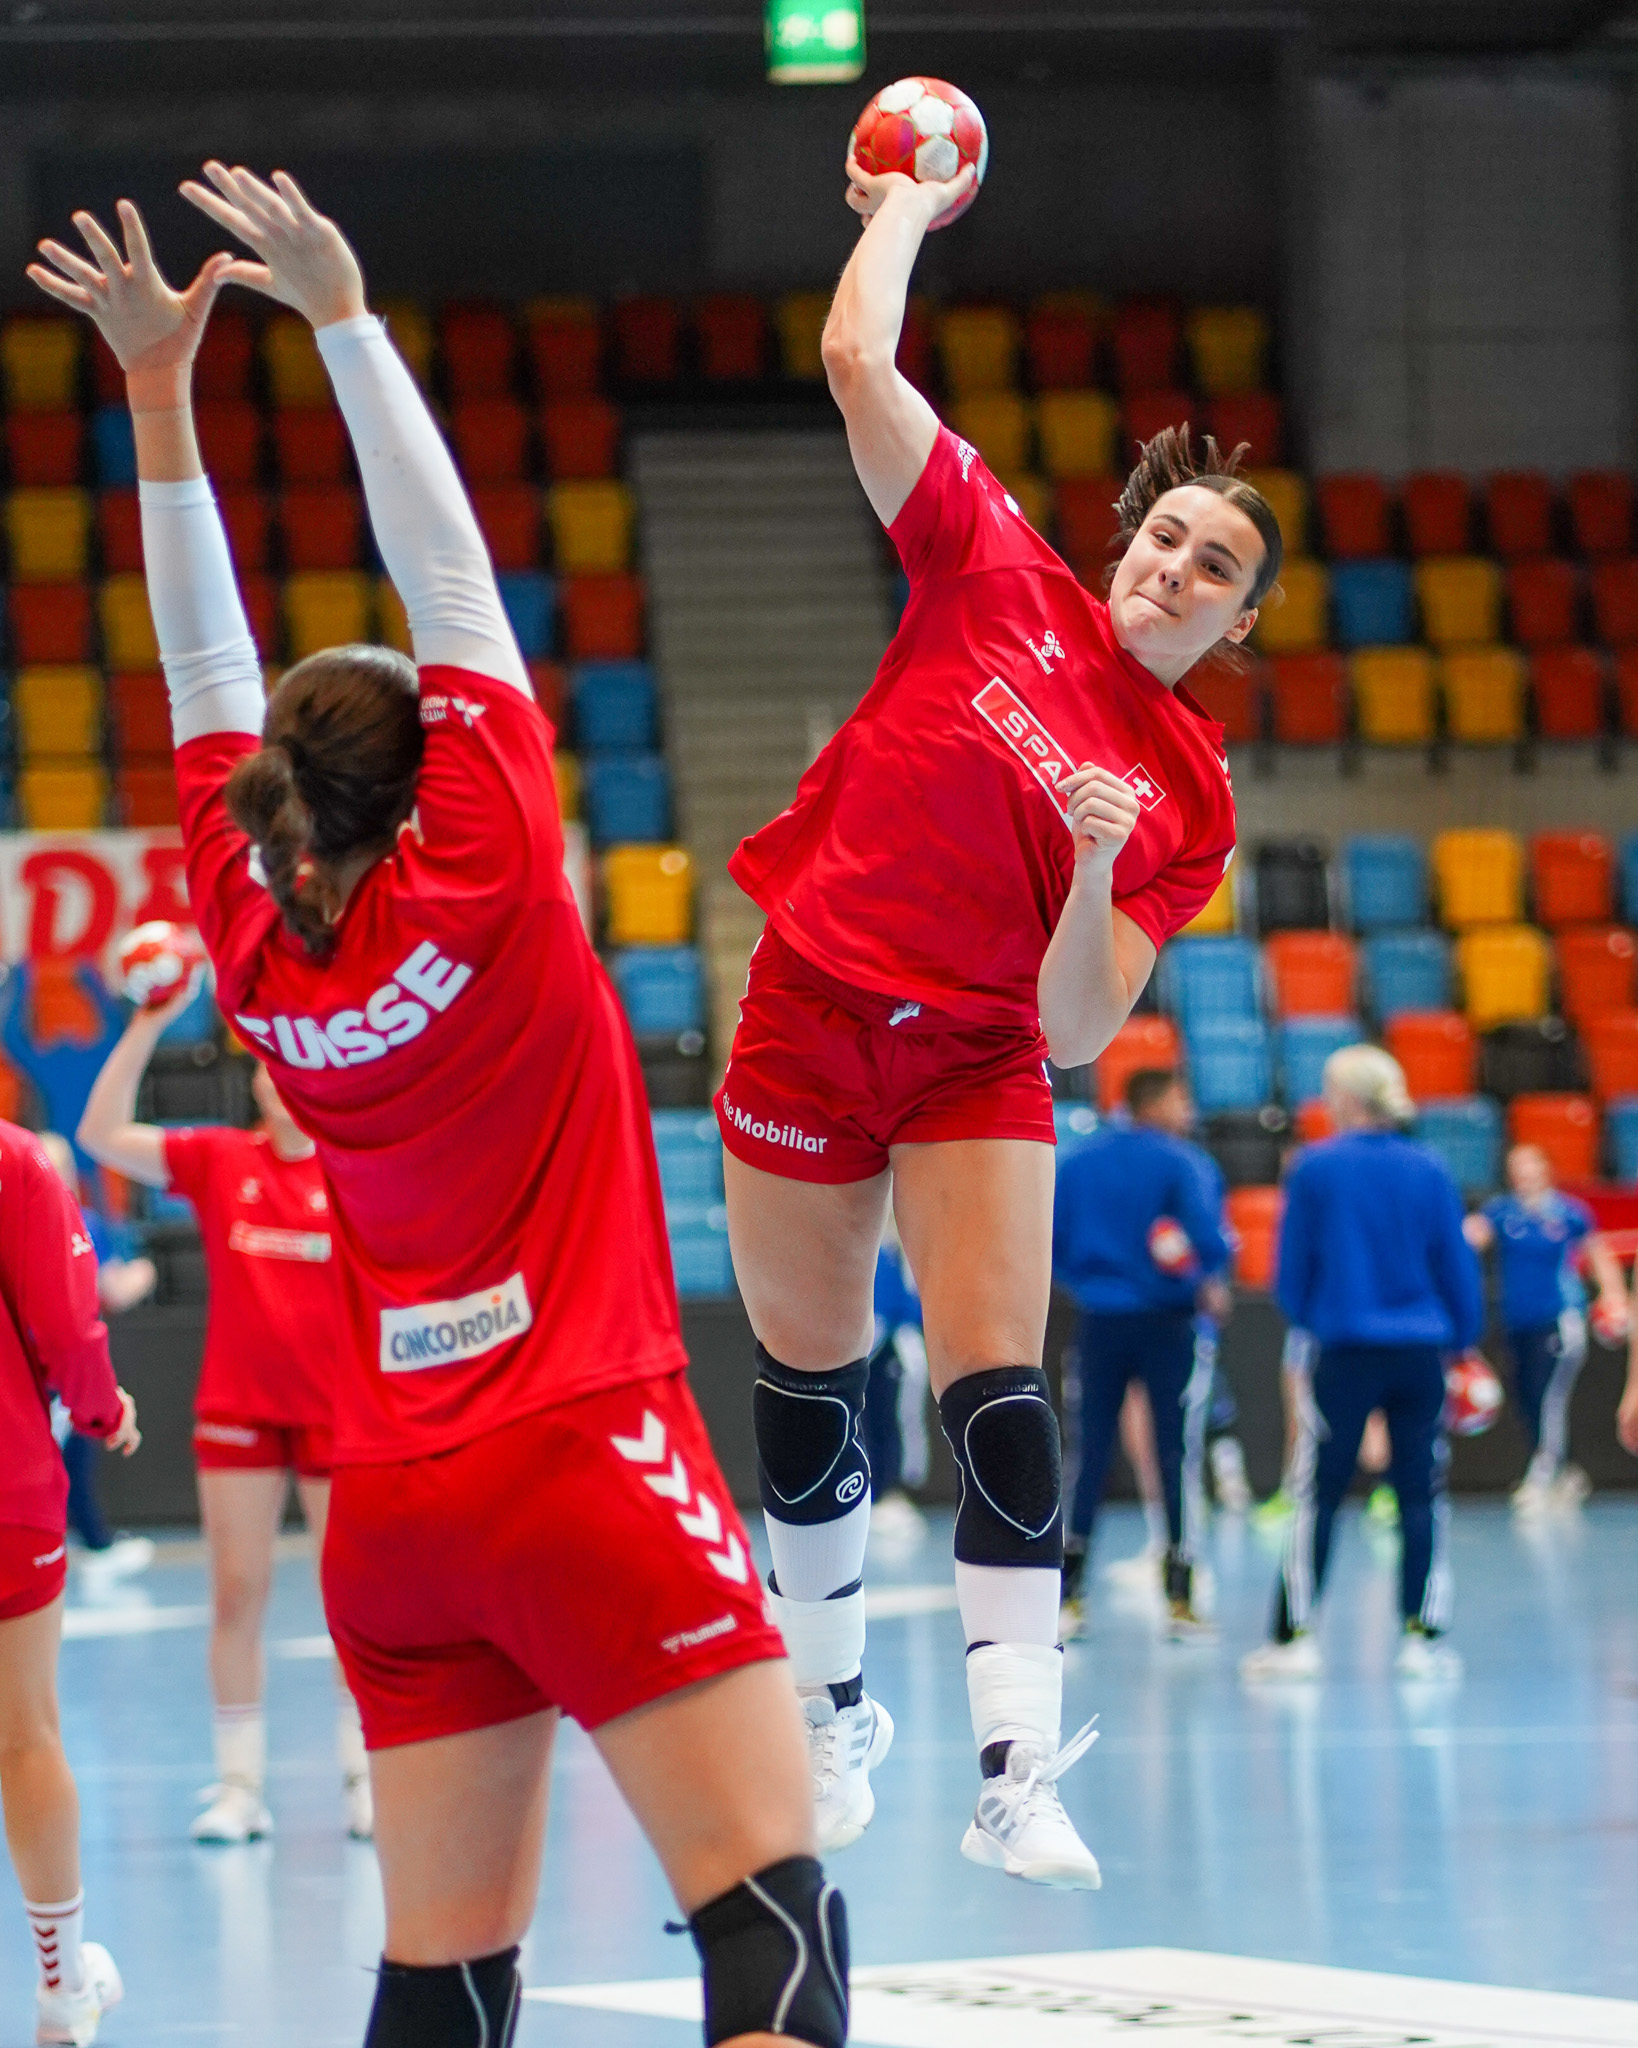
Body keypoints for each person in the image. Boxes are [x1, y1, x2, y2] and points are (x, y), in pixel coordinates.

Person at [31, 169, 840, 2048]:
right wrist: (340, 317)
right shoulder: (481, 871)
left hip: (393, 1505)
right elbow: (449, 578)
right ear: (428, 780)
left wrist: (162, 399)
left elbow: (201, 668)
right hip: (583, 1451)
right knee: (772, 1934)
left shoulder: (249, 934)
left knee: (447, 1973)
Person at [715, 138, 1277, 1887]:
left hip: (975, 1049)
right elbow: (851, 364)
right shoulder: (996, 567)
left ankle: (1015, 1766)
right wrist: (900, 207)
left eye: (1213, 569)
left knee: (994, 1392)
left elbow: (1085, 1026)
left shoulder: (1187, 793)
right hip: (812, 997)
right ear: (1127, 535)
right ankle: (831, 1713)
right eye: (1166, 533)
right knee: (808, 1392)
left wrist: (1101, 867)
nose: (1173, 567)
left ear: (1238, 620)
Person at [78, 985, 373, 1842]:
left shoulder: (354, 1162)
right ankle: (240, 1788)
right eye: (271, 1070)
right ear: (257, 1084)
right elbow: (100, 1136)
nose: (285, 1083)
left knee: (353, 1599)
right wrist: (144, 1022)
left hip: (337, 1411)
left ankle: (363, 1774)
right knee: (236, 1593)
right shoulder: (218, 1160)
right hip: (241, 1411)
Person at [1240, 1046, 1481, 1686]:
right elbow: (1455, 1268)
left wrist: (1314, 1319)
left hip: (1342, 1352)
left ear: (1346, 1099)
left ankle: (1295, 1638)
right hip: (1419, 1353)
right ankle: (1421, 1638)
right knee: (1419, 1493)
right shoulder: (1429, 1168)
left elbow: (1290, 1274)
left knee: (1316, 1493)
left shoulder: (1316, 1169)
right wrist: (1463, 1341)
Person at [0, 1117, 142, 2045]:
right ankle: (62, 1992)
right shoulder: (15, 1163)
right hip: (7, 1487)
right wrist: (103, 1412)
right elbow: (68, 1323)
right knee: (25, 1733)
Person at [1051, 1068, 1232, 1641]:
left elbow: (1052, 1240)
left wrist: (1090, 1283)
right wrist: (1203, 1276)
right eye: (1181, 1095)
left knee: (1089, 1453)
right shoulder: (1183, 1163)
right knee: (1176, 1452)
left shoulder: (1079, 1161)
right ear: (1155, 1100)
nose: (1187, 1108)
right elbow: (1207, 1238)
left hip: (1100, 1320)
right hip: (1168, 1324)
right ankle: (1179, 1597)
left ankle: (1067, 1599)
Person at [1463, 1143, 1627, 1514]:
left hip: (1559, 1318)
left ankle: (1542, 1474)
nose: (1524, 1175)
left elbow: (1598, 1254)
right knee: (1525, 1397)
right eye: (1516, 1168)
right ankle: (1567, 1472)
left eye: (1530, 1166)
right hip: (1516, 1322)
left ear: (1546, 1170)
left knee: (1548, 1395)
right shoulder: (1502, 1212)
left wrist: (1612, 1295)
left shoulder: (1569, 1214)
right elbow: (1470, 1235)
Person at [37, 1134, 157, 1593]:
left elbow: (102, 1292)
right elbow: (110, 1292)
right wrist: (141, 1276)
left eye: (60, 1163)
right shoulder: (60, 1223)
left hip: (62, 1368)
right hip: (45, 1368)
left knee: (73, 1453)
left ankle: (92, 1543)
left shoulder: (84, 1223)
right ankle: (92, 1545)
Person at [863, 1218, 929, 1544]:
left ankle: (894, 1491)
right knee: (873, 1423)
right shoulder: (875, 1255)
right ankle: (877, 1494)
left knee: (896, 1421)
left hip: (896, 1352)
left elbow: (896, 1308)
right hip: (873, 1354)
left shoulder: (894, 1256)